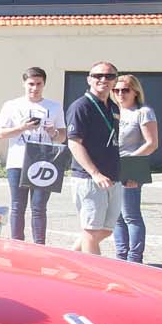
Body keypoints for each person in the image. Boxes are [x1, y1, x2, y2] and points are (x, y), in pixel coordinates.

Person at [0, 67, 65, 242]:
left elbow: (62, 137)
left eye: (38, 84)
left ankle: (39, 245)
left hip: (44, 162)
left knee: (39, 206)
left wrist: (53, 132)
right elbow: (0, 133)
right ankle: (17, 243)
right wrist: (23, 127)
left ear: (44, 84)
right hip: (18, 161)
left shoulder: (54, 107)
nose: (34, 88)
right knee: (18, 206)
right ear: (24, 84)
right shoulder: (11, 105)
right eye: (31, 84)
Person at [63, 61, 122, 256]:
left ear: (115, 80)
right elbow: (74, 143)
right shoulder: (81, 106)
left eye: (109, 76)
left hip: (113, 177)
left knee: (105, 229)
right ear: (89, 79)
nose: (103, 80)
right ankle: (94, 277)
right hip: (90, 179)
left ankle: (67, 260)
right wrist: (95, 173)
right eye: (98, 76)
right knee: (91, 231)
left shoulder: (113, 107)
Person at [112, 74, 159, 263]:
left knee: (130, 214)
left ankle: (134, 258)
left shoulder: (143, 112)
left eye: (125, 90)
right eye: (116, 90)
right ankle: (121, 256)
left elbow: (152, 143)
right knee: (116, 215)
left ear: (135, 91)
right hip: (111, 166)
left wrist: (130, 163)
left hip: (132, 165)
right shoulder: (113, 111)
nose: (120, 94)